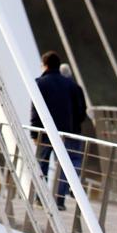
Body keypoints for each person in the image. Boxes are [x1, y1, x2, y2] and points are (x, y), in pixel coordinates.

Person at [29, 51, 80, 207]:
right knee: (64, 165)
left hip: (45, 132)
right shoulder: (71, 85)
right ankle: (59, 199)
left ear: (45, 65)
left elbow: (35, 111)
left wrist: (34, 132)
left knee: (42, 164)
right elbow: (78, 109)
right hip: (66, 132)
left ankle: (40, 198)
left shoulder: (40, 83)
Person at [58, 63, 89, 177]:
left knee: (62, 161)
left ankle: (61, 190)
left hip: (61, 130)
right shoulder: (77, 88)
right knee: (75, 158)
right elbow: (83, 110)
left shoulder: (59, 88)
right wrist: (78, 121)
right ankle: (74, 184)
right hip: (75, 130)